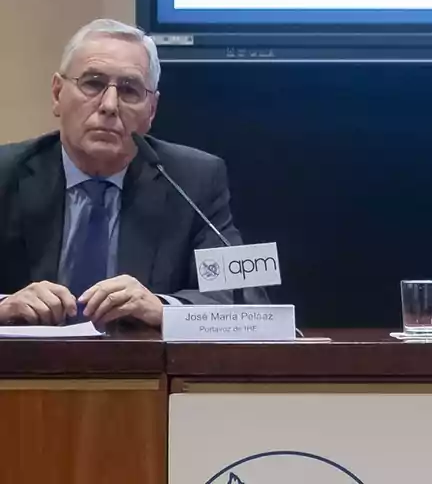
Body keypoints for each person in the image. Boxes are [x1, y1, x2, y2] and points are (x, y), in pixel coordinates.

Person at [0, 19, 256, 328]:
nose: (109, 105)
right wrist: (4, 304)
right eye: (93, 83)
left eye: (129, 90)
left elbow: (245, 296)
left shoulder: (194, 179)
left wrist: (162, 308)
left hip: (141, 370)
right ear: (57, 94)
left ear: (151, 110)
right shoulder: (7, 173)